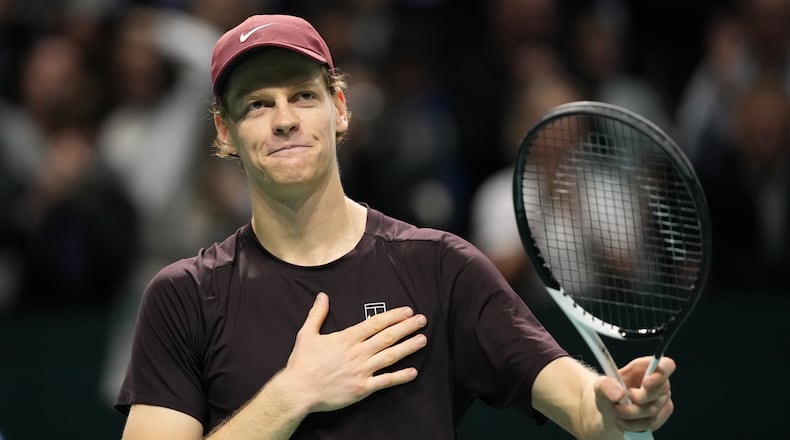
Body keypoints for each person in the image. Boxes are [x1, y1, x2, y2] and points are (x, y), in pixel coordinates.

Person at [115, 14, 676, 439]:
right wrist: (293, 394)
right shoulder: (182, 297)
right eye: (258, 104)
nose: (284, 119)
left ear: (340, 107)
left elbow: (581, 406)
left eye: (303, 96)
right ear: (223, 131)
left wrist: (614, 407)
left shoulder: (439, 267)